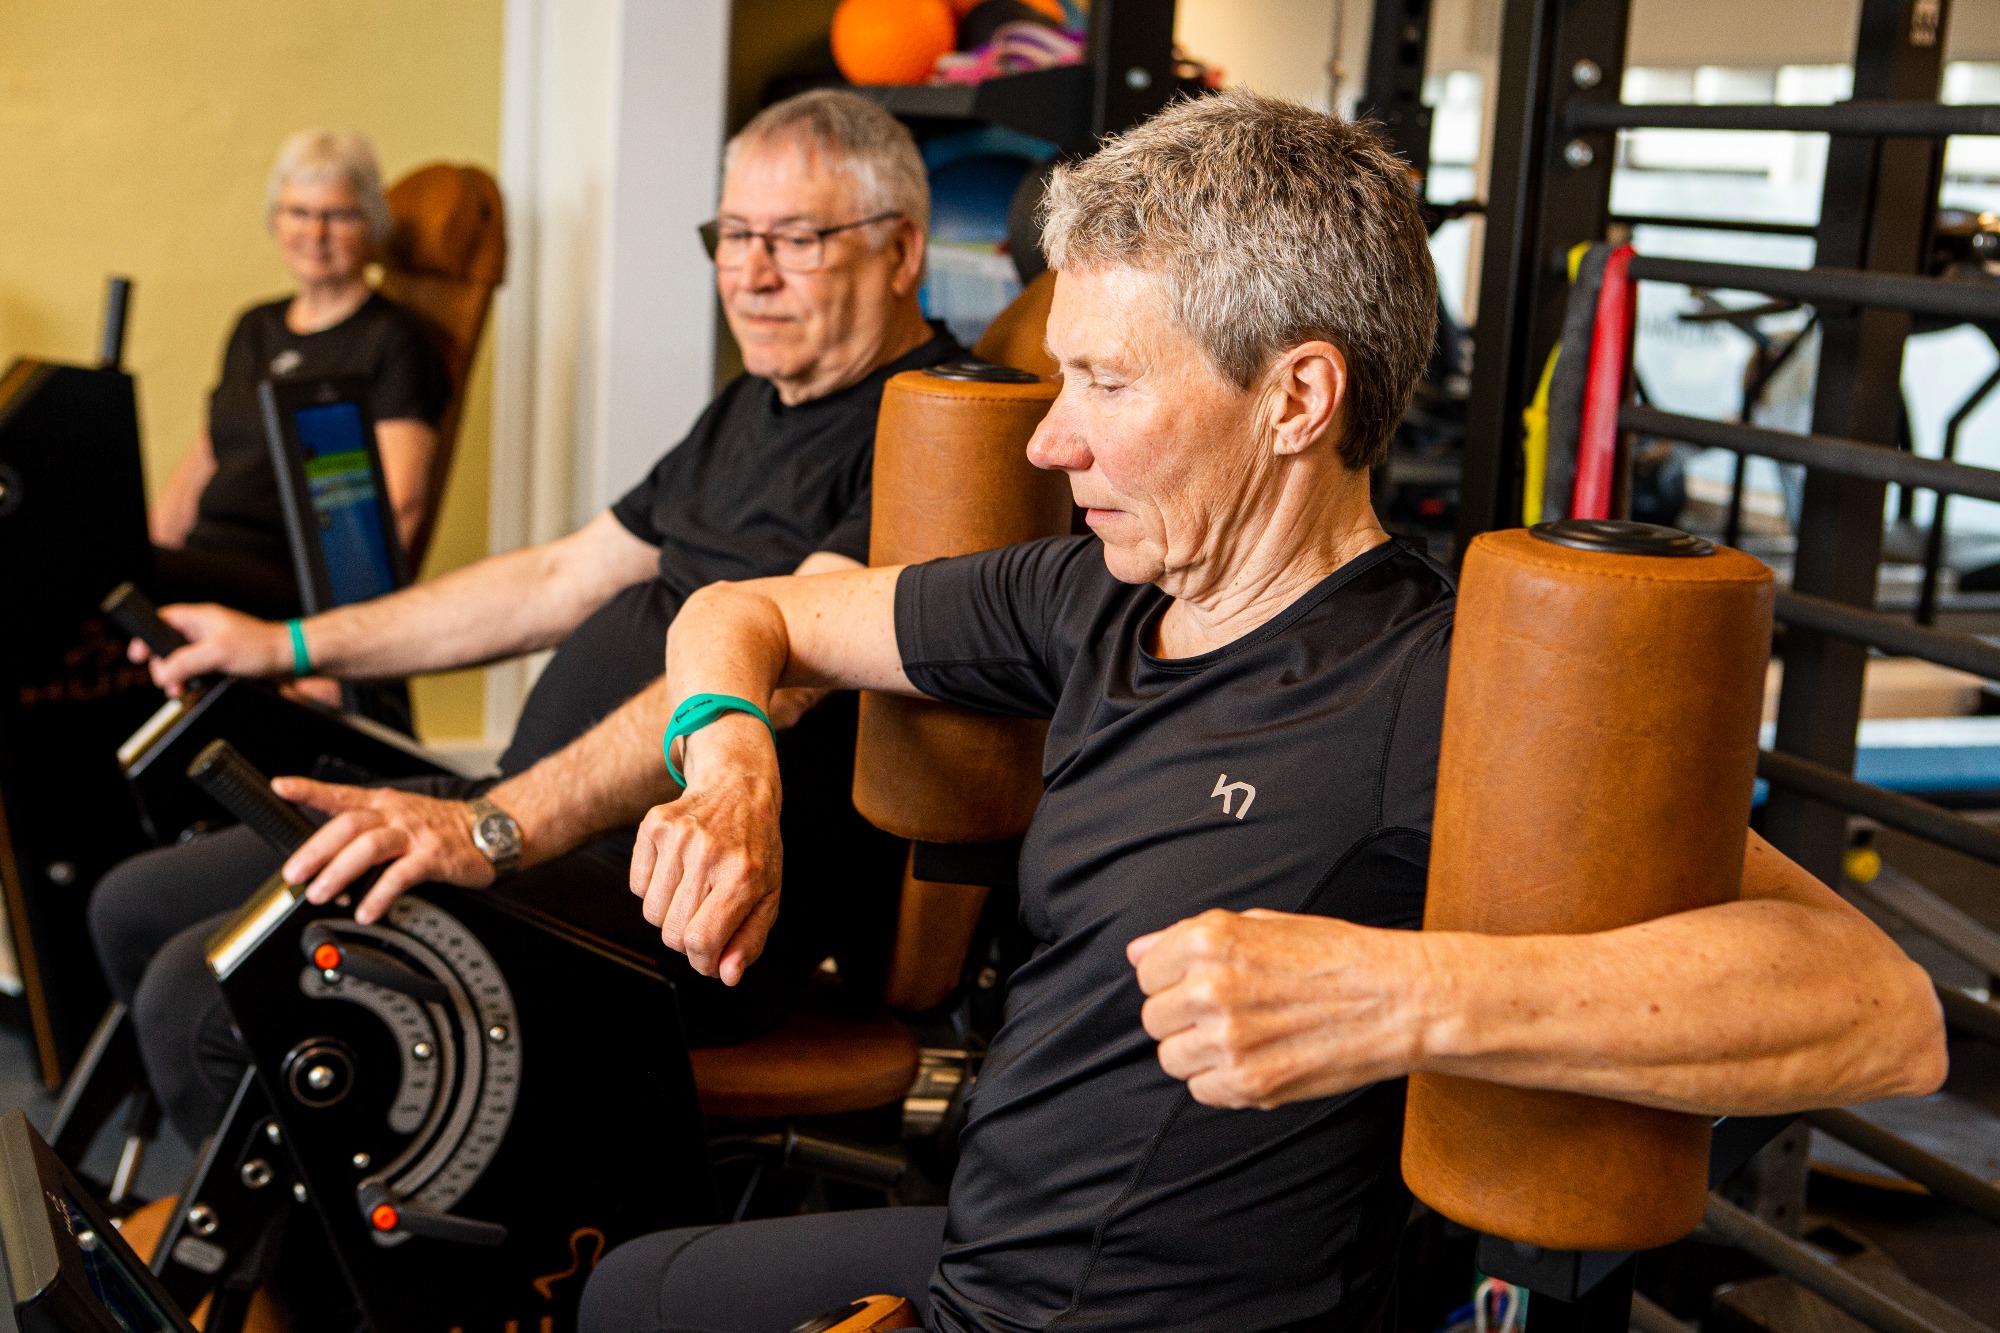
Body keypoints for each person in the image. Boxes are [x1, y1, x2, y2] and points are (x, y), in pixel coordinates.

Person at [584, 91, 1948, 1333]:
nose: (1051, 439)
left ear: (1296, 397)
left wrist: (1400, 992)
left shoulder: (1438, 684)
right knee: (627, 1290)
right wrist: (732, 765)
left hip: (1143, 1314)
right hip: (989, 1256)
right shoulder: (1090, 593)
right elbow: (746, 615)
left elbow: (1884, 1011)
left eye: (1107, 383)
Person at [95, 89, 955, 1146]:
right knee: (134, 907)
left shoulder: (927, 435)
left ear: (901, 250)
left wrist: (496, 826)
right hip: (532, 824)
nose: (750, 272)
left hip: (669, 901)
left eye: (796, 239)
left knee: (203, 994)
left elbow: (775, 678)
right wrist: (287, 644)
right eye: (733, 235)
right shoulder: (753, 404)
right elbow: (554, 579)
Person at [148, 130, 450, 619]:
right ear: (276, 219)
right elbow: (204, 461)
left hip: (289, 578)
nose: (315, 233)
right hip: (205, 560)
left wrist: (340, 635)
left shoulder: (395, 339)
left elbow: (401, 504)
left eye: (338, 215)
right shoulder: (255, 327)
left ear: (371, 222)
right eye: (299, 212)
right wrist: (141, 553)